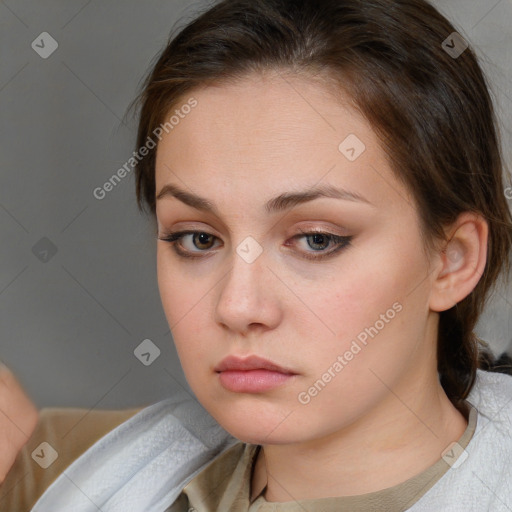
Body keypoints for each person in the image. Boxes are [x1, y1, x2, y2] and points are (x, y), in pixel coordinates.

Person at [2, 0, 512, 510]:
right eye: (198, 238)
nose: (237, 306)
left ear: (453, 259)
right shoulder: (69, 466)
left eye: (316, 239)